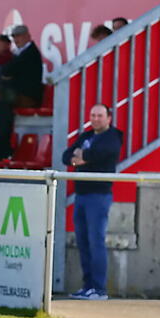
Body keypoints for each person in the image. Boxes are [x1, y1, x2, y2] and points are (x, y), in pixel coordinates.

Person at [61, 104, 123, 301]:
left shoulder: (113, 136)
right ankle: (87, 286)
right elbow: (66, 156)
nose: (95, 119)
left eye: (99, 115)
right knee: (83, 241)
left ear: (108, 118)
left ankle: (99, 288)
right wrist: (79, 159)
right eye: (92, 115)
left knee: (96, 241)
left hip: (99, 195)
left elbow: (104, 153)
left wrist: (83, 157)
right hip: (81, 195)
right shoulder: (86, 136)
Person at [2, 25, 43, 108]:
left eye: (18, 36)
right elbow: (5, 71)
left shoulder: (30, 53)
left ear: (27, 36)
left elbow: (8, 70)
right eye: (14, 37)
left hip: (27, 96)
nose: (16, 40)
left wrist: (7, 77)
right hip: (19, 93)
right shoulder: (20, 53)